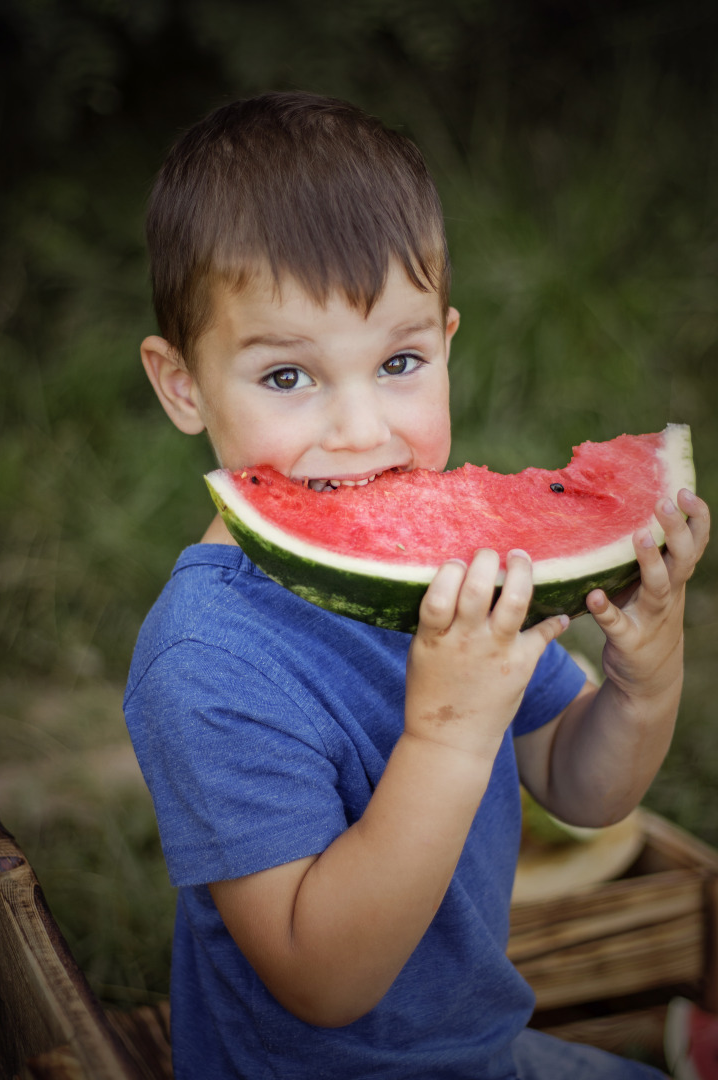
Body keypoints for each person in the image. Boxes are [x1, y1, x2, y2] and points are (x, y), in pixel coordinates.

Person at [124, 91, 710, 1080]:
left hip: (479, 1054)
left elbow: (583, 783)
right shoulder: (206, 662)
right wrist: (449, 728)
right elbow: (321, 978)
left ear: (445, 339)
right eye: (287, 377)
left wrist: (644, 681)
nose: (361, 429)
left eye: (398, 361)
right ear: (182, 384)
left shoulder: (451, 570)